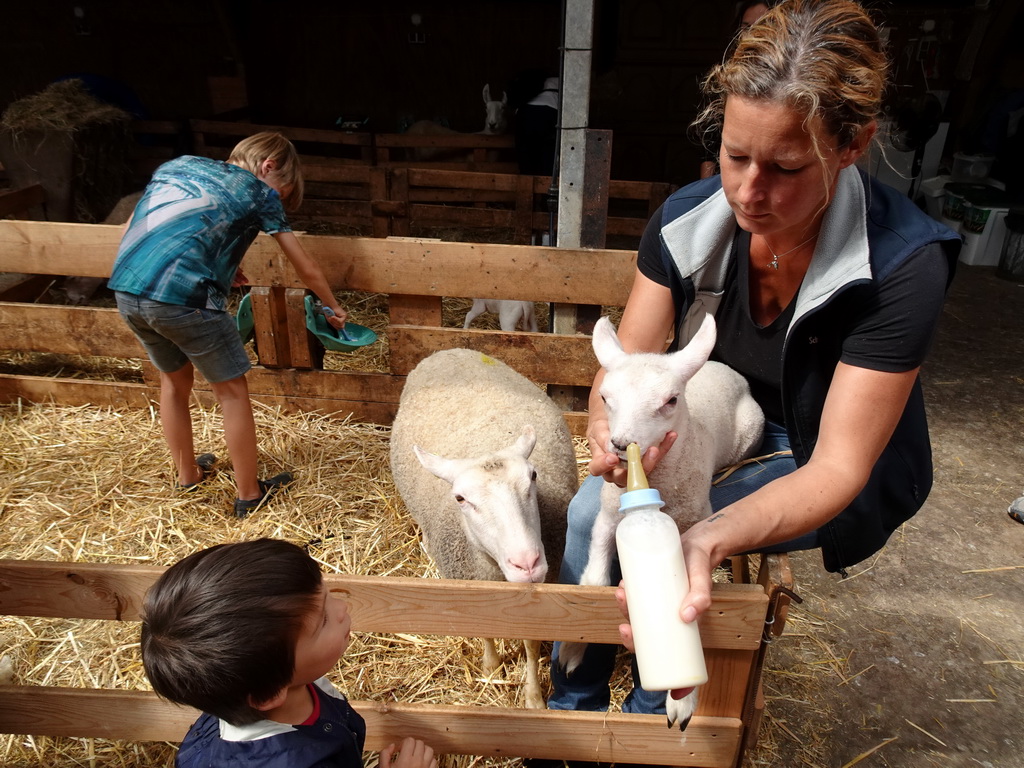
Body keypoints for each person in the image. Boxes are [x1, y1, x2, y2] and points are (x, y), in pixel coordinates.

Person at [547, 0, 962, 717]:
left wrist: (706, 535)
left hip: (816, 449)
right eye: (736, 155)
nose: (747, 189)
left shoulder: (900, 263)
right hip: (699, 414)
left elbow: (837, 465)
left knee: (671, 544)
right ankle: (573, 710)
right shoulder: (687, 219)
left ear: (852, 145)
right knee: (592, 513)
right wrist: (602, 434)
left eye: (786, 166)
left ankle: (656, 724)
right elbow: (629, 366)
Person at [108, 132, 349, 518]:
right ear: (268, 166)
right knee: (233, 391)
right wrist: (333, 306)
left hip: (128, 290)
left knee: (173, 381)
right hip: (186, 300)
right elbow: (303, 265)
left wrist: (217, 260)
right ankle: (250, 494)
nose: (279, 198)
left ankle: (187, 475)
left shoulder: (178, 165)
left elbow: (135, 232)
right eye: (284, 190)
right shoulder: (260, 193)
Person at [141, 538, 439, 768]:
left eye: (327, 593)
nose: (342, 608)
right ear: (268, 693)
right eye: (322, 620)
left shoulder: (249, 684)